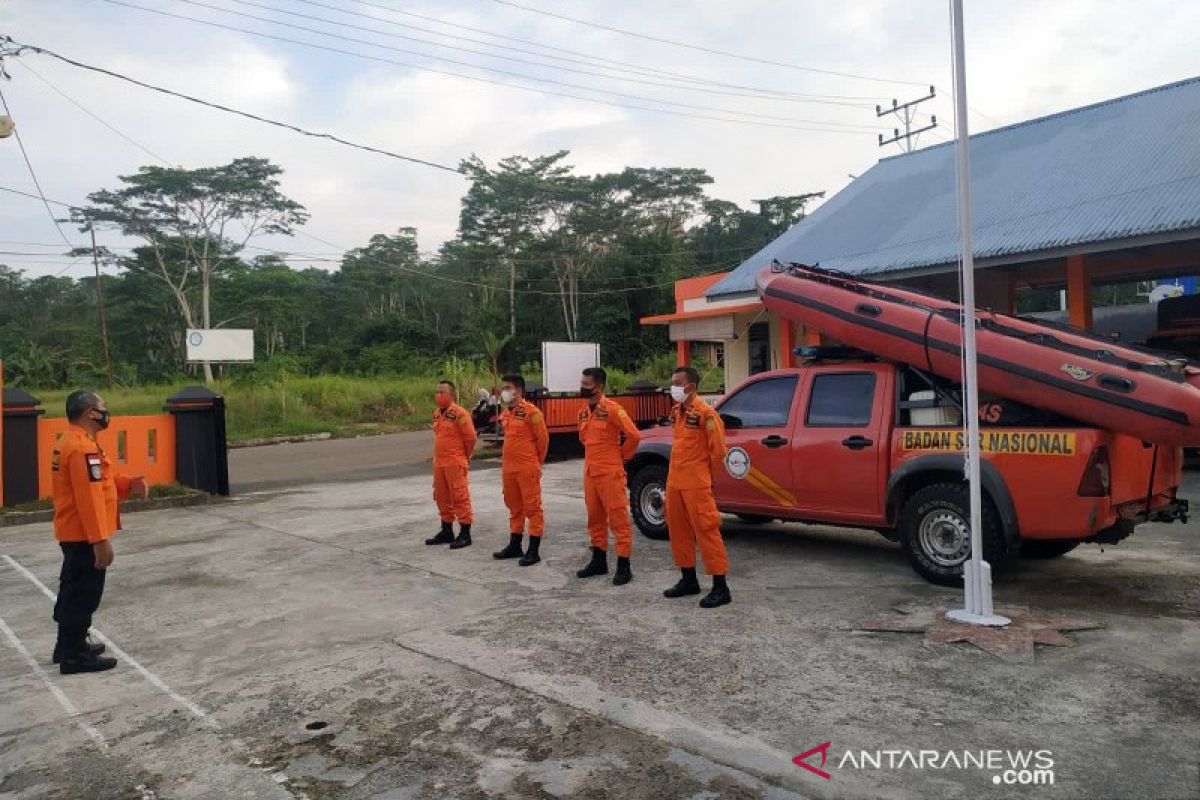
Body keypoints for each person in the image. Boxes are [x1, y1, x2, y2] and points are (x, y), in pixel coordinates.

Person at [51, 390, 148, 674]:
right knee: (83, 594)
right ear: (89, 413)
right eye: (102, 407)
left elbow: (101, 482)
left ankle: (67, 645)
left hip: (74, 531)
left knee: (72, 589)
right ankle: (74, 656)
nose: (106, 412)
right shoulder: (82, 448)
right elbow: (88, 497)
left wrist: (128, 483)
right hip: (84, 534)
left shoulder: (71, 441)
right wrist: (99, 540)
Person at [663, 366, 732, 608]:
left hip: (696, 484)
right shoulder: (677, 412)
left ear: (690, 386)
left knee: (707, 530)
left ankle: (721, 587)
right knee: (678, 531)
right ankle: (688, 579)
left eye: (677, 382)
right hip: (675, 482)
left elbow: (719, 451)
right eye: (672, 381)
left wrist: (703, 476)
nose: (673, 387)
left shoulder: (706, 414)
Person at [576, 367, 641, 585]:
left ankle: (624, 565)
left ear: (599, 387)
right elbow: (585, 438)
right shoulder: (584, 411)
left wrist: (621, 457)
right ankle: (599, 560)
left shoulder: (613, 409)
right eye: (582, 383)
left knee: (618, 519)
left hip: (610, 473)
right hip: (591, 473)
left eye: (587, 384)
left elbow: (633, 435)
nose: (583, 388)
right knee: (594, 518)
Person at [493, 374, 550, 566]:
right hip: (509, 469)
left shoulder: (532, 412)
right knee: (514, 507)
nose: (504, 391)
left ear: (518, 391)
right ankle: (515, 545)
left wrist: (535, 463)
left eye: (507, 387)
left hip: (527, 468)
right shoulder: (507, 413)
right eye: (504, 387)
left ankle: (533, 550)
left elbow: (543, 441)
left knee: (532, 508)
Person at [426, 379, 477, 549]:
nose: (438, 395)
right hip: (440, 463)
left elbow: (470, 438)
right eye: (437, 392)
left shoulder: (460, 414)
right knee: (441, 496)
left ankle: (465, 533)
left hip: (455, 462)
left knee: (459, 496)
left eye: (442, 392)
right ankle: (446, 530)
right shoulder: (436, 414)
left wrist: (465, 456)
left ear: (452, 395)